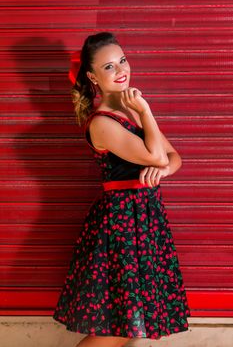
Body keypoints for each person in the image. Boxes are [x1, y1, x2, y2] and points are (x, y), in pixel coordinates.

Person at [53, 31, 190, 347]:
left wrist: (163, 169)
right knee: (119, 327)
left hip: (145, 219)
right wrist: (145, 112)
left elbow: (173, 157)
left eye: (122, 60)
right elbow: (156, 153)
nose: (121, 70)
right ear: (93, 77)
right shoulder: (102, 122)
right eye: (109, 67)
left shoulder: (130, 108)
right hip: (122, 225)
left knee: (134, 321)